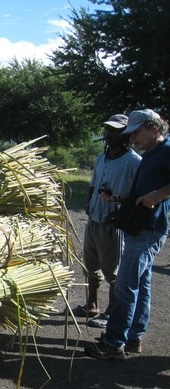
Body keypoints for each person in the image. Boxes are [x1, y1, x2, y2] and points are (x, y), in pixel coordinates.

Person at [85, 109, 170, 359]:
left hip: (149, 228)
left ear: (154, 127)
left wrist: (159, 195)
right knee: (141, 285)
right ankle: (134, 337)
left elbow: (156, 192)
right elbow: (142, 190)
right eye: (130, 134)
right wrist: (119, 198)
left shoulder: (166, 150)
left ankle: (113, 343)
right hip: (138, 226)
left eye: (136, 133)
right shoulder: (152, 154)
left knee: (124, 284)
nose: (132, 139)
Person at [72, 114, 141, 328]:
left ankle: (111, 312)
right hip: (95, 218)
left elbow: (138, 192)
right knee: (90, 264)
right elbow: (93, 183)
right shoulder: (101, 158)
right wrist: (89, 201)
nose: (110, 134)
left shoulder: (133, 161)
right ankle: (91, 304)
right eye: (108, 130)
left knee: (113, 269)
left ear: (126, 135)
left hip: (114, 222)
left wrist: (121, 208)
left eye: (116, 130)